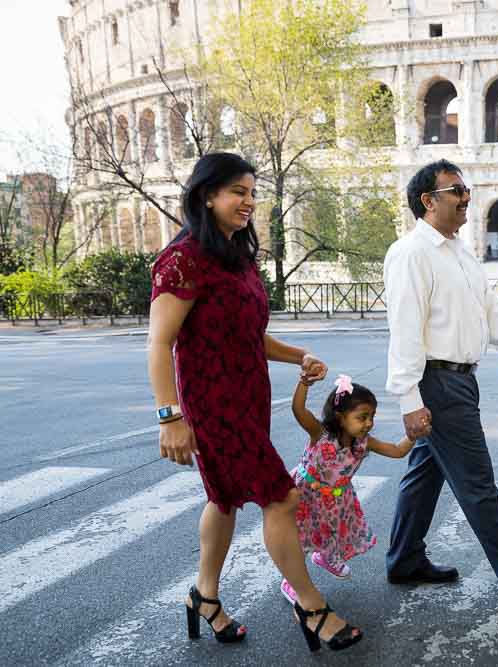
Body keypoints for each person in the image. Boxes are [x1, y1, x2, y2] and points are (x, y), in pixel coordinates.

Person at [148, 152, 362, 653]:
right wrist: (170, 416)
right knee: (280, 496)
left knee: (223, 499)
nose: (248, 202)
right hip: (211, 404)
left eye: (251, 192)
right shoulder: (181, 259)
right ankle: (311, 606)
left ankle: (205, 597)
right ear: (207, 195)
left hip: (248, 398)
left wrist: (297, 356)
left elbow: (250, 334)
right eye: (236, 192)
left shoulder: (236, 255)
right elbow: (160, 343)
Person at [383, 159, 498, 603]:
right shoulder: (411, 253)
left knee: (424, 475)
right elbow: (405, 330)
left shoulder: (459, 253)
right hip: (436, 382)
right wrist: (409, 398)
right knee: (478, 483)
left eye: (466, 188)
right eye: (456, 190)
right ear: (428, 201)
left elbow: (494, 314)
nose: (466, 196)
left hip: (460, 380)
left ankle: (404, 557)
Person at [280, 374, 414, 603]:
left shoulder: (364, 442)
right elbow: (299, 410)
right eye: (362, 417)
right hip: (306, 495)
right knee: (301, 539)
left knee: (333, 532)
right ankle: (292, 582)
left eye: (371, 416)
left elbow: (397, 450)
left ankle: (326, 557)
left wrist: (413, 436)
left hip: (337, 500)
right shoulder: (320, 434)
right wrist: (304, 382)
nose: (369, 423)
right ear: (340, 417)